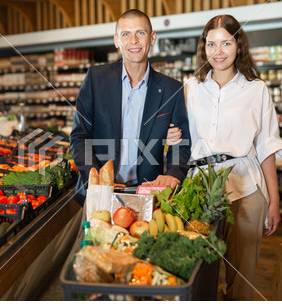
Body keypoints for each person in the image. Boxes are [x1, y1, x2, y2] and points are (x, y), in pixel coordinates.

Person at [166, 15, 282, 301]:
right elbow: (179, 138)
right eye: (211, 44)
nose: (218, 51)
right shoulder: (189, 88)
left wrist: (274, 201)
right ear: (203, 47)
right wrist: (171, 137)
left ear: (238, 45)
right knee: (199, 271)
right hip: (199, 188)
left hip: (245, 187)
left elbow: (266, 147)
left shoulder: (256, 90)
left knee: (242, 278)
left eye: (226, 43)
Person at [70, 9, 191, 206]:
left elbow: (181, 143)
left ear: (152, 38)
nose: (133, 40)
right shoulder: (95, 79)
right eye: (126, 34)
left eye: (140, 33)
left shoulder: (172, 89)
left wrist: (174, 173)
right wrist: (96, 178)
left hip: (147, 192)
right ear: (116, 40)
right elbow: (79, 136)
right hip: (99, 192)